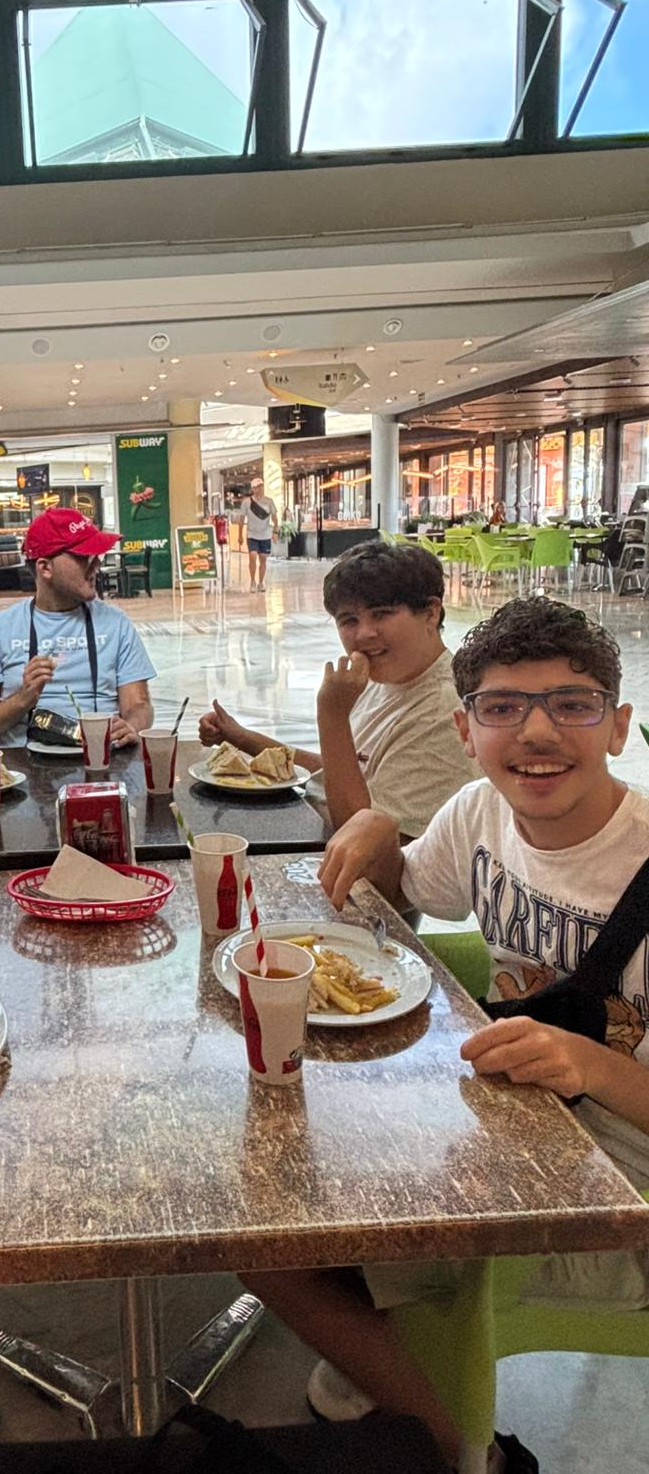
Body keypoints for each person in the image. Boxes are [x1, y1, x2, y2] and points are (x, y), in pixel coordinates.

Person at [248, 597, 648, 1474]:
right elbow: (395, 897)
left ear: (618, 727)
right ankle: (394, 1351)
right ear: (466, 731)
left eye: (572, 704)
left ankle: (459, 1446)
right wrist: (373, 824)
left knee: (277, 1248)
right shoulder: (478, 812)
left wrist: (590, 1065)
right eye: (504, 707)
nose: (536, 731)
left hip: (624, 1196)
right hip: (511, 1129)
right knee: (270, 1193)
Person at [199, 541, 479, 837]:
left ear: (431, 613)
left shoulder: (442, 712)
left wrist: (331, 714)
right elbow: (340, 772)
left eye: (382, 614)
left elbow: (364, 839)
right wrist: (244, 738)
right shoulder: (385, 677)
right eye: (349, 620)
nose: (364, 633)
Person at [0, 507, 155, 749]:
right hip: (23, 764)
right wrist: (23, 699)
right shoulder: (0, 631)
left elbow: (139, 705)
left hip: (102, 758)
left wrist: (132, 726)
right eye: (84, 556)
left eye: (96, 556)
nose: (96, 564)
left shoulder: (117, 624)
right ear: (45, 568)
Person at [240, 476, 278, 592]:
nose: (259, 489)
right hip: (252, 534)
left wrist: (275, 531)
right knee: (252, 556)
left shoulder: (269, 501)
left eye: (261, 486)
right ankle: (252, 581)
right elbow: (242, 519)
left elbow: (275, 518)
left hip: (265, 535)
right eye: (256, 487)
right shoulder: (246, 502)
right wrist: (240, 535)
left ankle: (261, 582)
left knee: (263, 559)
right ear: (252, 489)